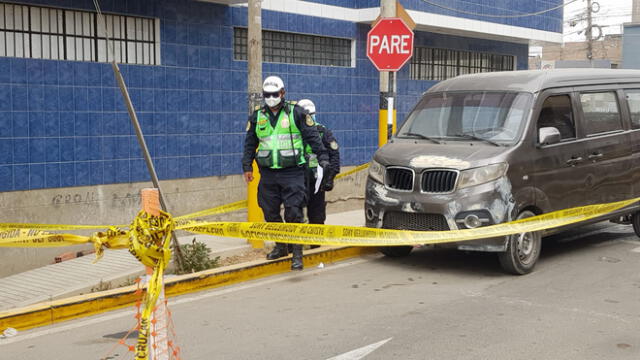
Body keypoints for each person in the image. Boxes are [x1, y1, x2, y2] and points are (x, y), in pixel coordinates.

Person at [242, 76, 330, 271]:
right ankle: (281, 247)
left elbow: (313, 137)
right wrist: (247, 166)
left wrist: (323, 157)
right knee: (270, 213)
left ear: (283, 93)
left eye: (275, 94)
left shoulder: (296, 113)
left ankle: (297, 254)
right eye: (267, 95)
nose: (271, 98)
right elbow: (250, 143)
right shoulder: (257, 116)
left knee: (294, 213)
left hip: (293, 172)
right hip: (268, 174)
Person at [297, 99, 340, 238]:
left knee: (317, 214)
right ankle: (294, 244)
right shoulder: (293, 133)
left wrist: (330, 178)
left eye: (312, 114)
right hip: (296, 179)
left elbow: (334, 156)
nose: (310, 118)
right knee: (294, 213)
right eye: (307, 115)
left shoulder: (323, 132)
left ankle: (315, 243)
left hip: (317, 180)